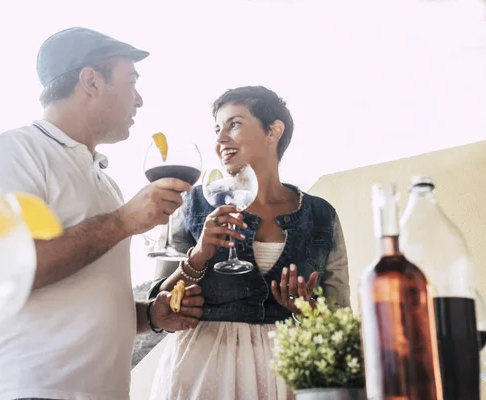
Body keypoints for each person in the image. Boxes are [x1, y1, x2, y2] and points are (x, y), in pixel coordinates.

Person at [0, 27, 204, 400]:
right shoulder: (15, 151)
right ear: (91, 81)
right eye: (131, 81)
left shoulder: (105, 182)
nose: (139, 99)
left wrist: (151, 316)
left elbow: (89, 300)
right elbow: (5, 272)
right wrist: (122, 222)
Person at [147, 86, 351, 400]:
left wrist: (307, 311)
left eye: (234, 124)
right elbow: (160, 303)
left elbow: (339, 322)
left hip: (288, 374)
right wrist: (199, 255)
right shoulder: (191, 204)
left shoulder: (322, 215)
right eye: (217, 129)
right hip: (203, 371)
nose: (220, 139)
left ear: (273, 131)